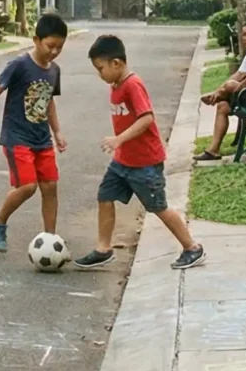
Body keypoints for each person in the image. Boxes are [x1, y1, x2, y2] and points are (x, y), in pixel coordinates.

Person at [74, 34, 205, 271]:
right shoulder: (116, 85)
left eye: (101, 68)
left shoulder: (132, 85)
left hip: (145, 163)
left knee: (158, 207)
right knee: (105, 195)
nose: (99, 74)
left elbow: (146, 119)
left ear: (116, 63)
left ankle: (192, 247)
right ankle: (103, 249)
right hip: (123, 161)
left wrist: (118, 139)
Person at [0, 12, 68, 253]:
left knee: (50, 187)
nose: (54, 52)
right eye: (50, 46)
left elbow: (49, 102)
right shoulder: (19, 65)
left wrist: (57, 131)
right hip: (17, 138)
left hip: (42, 139)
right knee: (27, 187)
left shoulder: (54, 70)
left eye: (59, 47)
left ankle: (51, 239)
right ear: (36, 40)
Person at [196, 19, 246, 161]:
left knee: (230, 86)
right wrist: (219, 89)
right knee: (222, 106)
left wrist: (230, 90)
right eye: (244, 34)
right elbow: (239, 74)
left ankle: (216, 97)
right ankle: (213, 150)